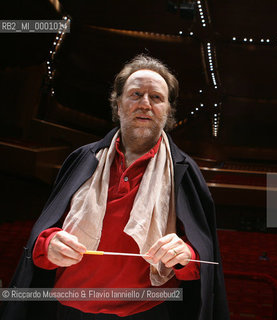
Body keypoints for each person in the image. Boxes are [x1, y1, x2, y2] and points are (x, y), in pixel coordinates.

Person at [0, 54, 229, 320]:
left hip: (147, 312)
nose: (145, 103)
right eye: (136, 94)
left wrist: (185, 254)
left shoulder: (185, 171)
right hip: (66, 309)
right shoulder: (81, 159)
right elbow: (43, 238)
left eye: (156, 97)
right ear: (118, 104)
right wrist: (48, 244)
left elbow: (200, 263)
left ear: (167, 111)